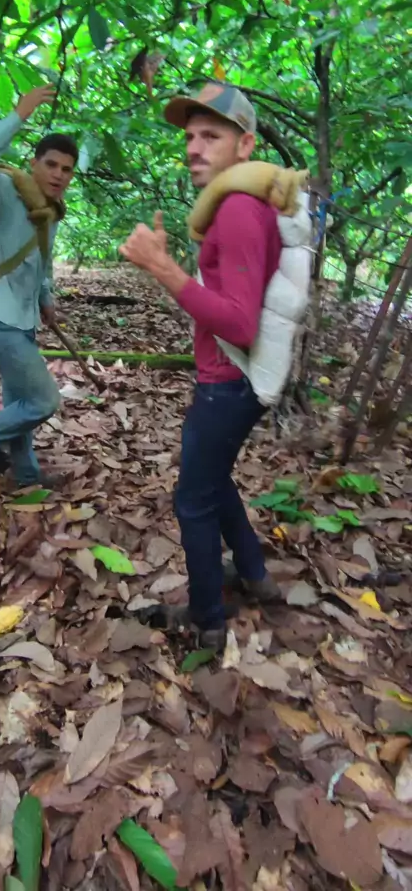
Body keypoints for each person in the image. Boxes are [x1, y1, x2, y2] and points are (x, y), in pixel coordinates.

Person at [120, 82, 282, 650]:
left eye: (211, 135)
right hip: (236, 379)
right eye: (190, 136)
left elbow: (239, 324)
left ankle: (208, 620)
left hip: (229, 384)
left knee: (192, 500)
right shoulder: (240, 203)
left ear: (246, 145)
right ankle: (255, 576)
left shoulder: (237, 209)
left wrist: (162, 267)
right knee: (214, 479)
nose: (193, 147)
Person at [0, 84, 78, 488]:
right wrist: (19, 115)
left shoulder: (49, 213)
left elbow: (43, 263)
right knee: (43, 400)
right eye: (51, 164)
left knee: (21, 401)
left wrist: (46, 298)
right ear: (34, 163)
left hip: (22, 320)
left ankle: (26, 476)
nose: (58, 174)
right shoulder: (6, 194)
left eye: (66, 169)